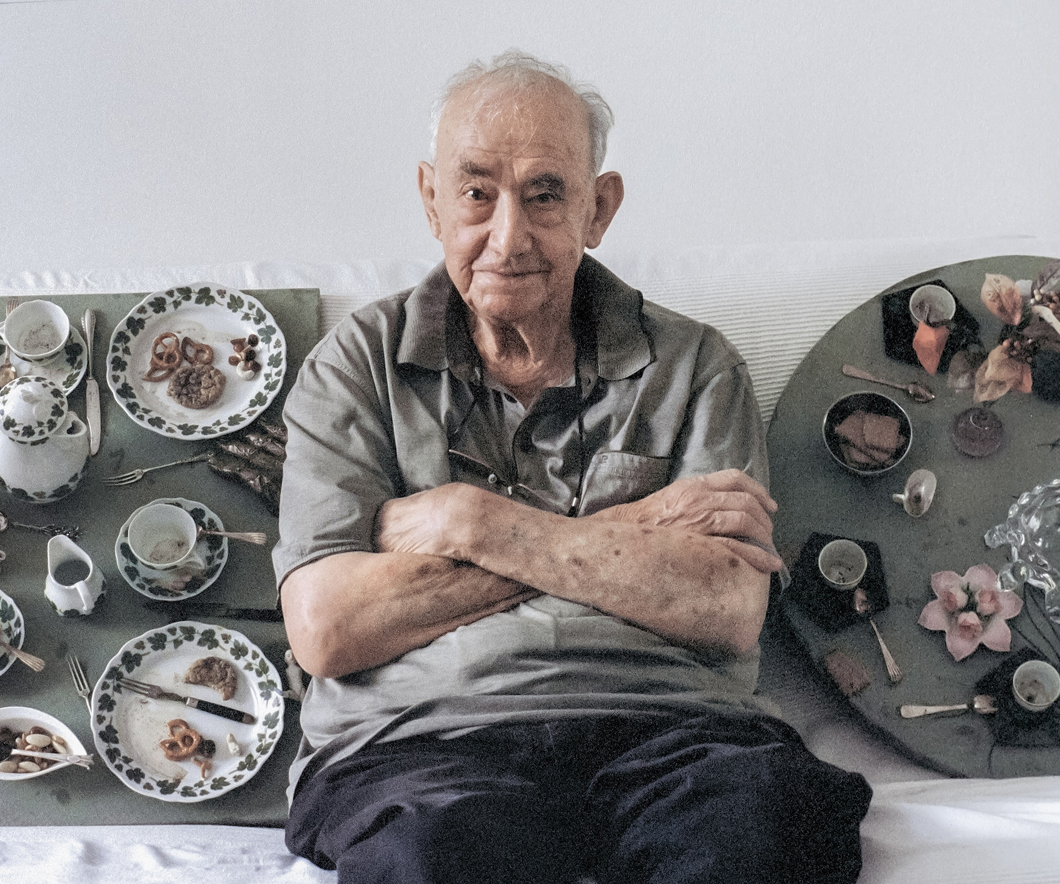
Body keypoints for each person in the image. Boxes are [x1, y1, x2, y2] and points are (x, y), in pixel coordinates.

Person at [274, 50, 872, 884]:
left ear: (600, 207)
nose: (508, 235)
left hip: (678, 735)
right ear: (431, 198)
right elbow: (328, 629)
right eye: (477, 191)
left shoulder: (696, 365)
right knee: (438, 855)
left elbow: (725, 605)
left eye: (545, 194)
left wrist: (472, 523)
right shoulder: (356, 365)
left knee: (761, 834)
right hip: (419, 742)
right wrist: (633, 532)